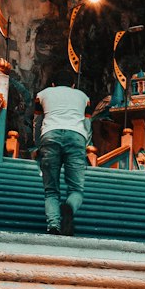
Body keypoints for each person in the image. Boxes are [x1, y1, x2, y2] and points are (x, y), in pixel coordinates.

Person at [34, 75, 91, 235]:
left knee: (51, 190)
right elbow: (87, 123)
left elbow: (37, 121)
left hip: (50, 135)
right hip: (76, 136)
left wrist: (38, 144)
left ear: (53, 84)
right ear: (73, 85)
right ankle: (69, 208)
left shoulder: (42, 94)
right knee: (76, 189)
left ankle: (53, 225)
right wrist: (84, 143)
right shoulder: (83, 97)